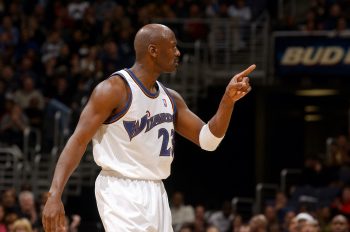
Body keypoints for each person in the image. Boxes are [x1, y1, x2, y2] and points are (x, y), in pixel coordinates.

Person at [42, 23, 254, 232]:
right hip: (121, 188)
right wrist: (54, 195)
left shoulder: (171, 98)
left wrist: (227, 101)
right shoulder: (114, 89)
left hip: (157, 191)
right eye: (173, 46)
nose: (178, 52)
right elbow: (78, 141)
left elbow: (209, 141)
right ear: (153, 50)